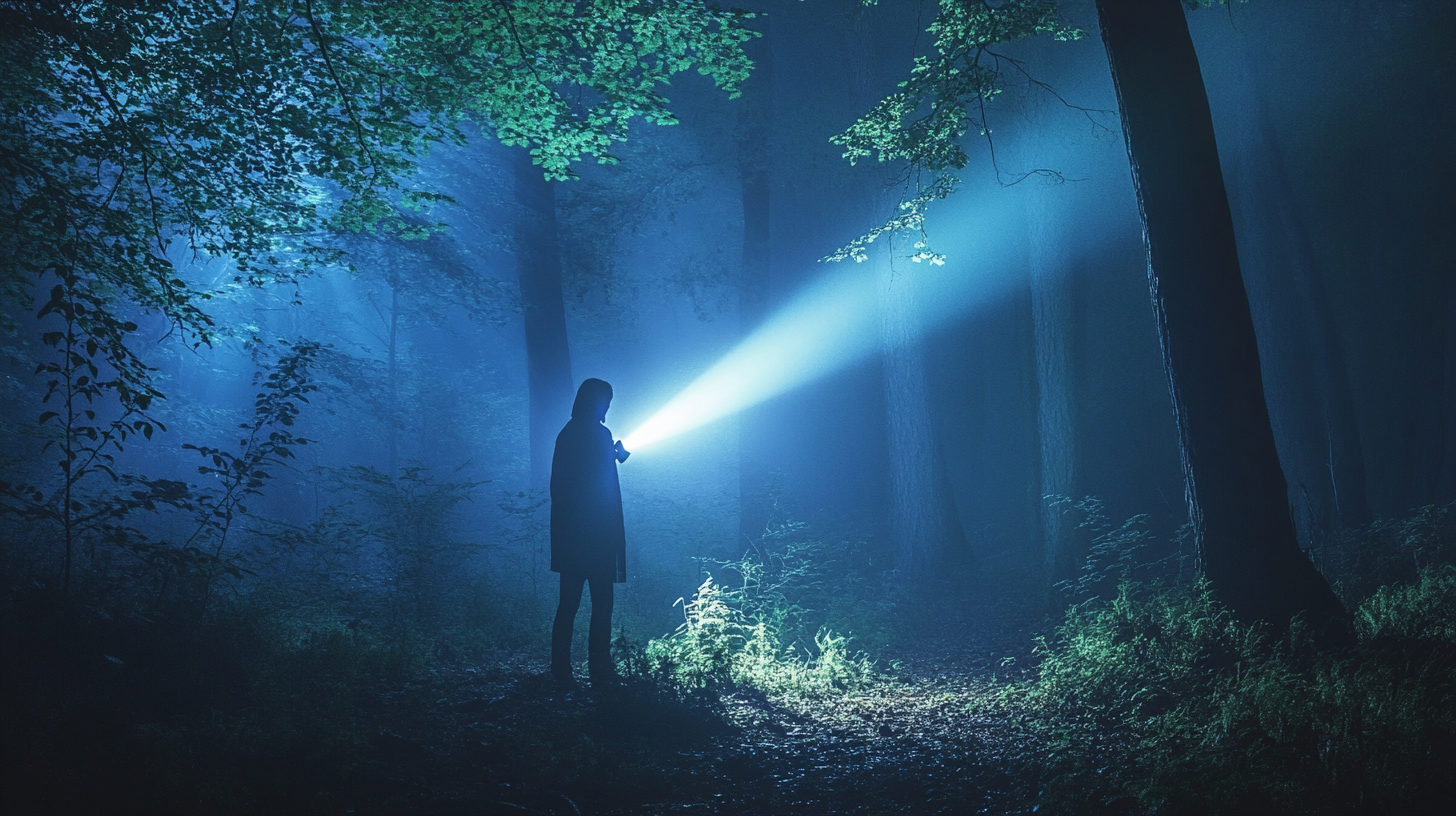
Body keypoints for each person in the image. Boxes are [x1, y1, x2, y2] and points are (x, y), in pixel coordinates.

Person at [549, 378, 630, 688]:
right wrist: (612, 455)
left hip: (571, 536)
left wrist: (609, 455)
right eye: (606, 402)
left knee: (568, 604)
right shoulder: (600, 434)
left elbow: (567, 484)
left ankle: (560, 669)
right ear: (597, 403)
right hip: (598, 536)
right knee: (602, 604)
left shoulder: (567, 434)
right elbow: (599, 485)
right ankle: (600, 669)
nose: (608, 408)